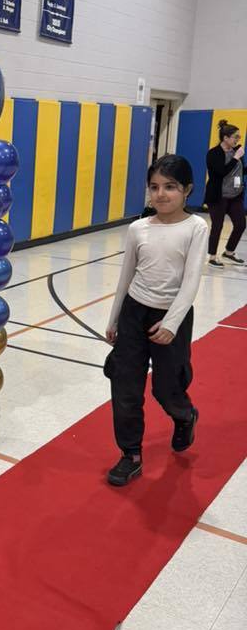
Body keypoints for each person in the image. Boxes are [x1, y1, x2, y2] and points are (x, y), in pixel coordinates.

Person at [103, 155, 208, 487]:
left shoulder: (195, 228)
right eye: (154, 187)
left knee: (166, 387)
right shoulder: (138, 228)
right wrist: (115, 318)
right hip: (134, 313)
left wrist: (171, 324)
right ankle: (130, 454)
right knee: (125, 386)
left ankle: (184, 415)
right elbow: (126, 276)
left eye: (170, 187)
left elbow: (191, 280)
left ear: (187, 190)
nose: (161, 194)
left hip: (171, 316)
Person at [204, 119, 245, 266]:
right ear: (226, 138)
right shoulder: (213, 154)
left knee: (240, 225)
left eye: (239, 137)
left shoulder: (236, 151)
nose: (238, 140)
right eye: (235, 137)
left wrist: (239, 160)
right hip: (218, 196)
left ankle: (229, 252)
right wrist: (236, 158)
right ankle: (212, 257)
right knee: (217, 226)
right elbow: (221, 172)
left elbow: (239, 170)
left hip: (235, 196)